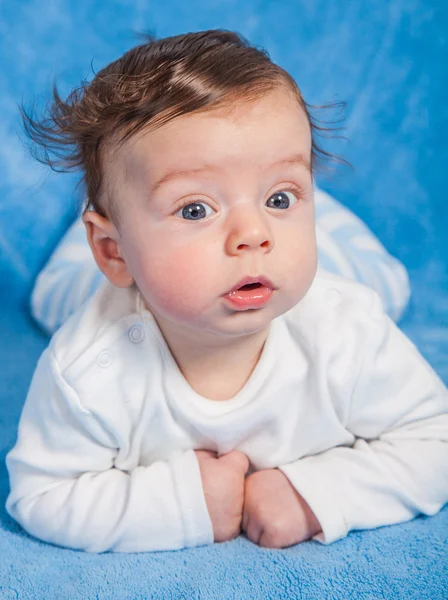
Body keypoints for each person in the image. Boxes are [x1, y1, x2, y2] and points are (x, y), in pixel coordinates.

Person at [5, 30, 447, 554]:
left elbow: (435, 443)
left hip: (338, 266)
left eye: (282, 197)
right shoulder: (87, 370)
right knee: (53, 296)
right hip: (105, 278)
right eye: (195, 209)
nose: (252, 233)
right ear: (114, 252)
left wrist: (314, 496)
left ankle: (317, 211)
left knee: (381, 280)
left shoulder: (348, 328)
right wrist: (186, 505)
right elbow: (44, 495)